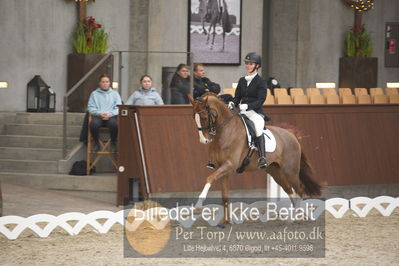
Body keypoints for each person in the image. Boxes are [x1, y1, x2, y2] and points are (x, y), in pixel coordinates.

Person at [228, 52, 268, 168]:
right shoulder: (242, 80)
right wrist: (232, 103)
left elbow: (260, 100)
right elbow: (237, 98)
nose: (248, 66)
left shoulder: (261, 82)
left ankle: (262, 157)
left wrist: (246, 106)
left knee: (258, 127)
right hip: (241, 111)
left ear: (257, 66)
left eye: (251, 64)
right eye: (247, 64)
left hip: (255, 112)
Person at [87, 74, 122, 153]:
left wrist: (110, 114)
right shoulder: (94, 94)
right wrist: (100, 114)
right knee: (93, 124)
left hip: (111, 116)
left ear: (109, 83)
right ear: (99, 83)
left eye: (107, 82)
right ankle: (96, 143)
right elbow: (90, 108)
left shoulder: (115, 94)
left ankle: (113, 142)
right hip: (98, 116)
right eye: (103, 82)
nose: (105, 83)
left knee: (114, 124)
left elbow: (119, 108)